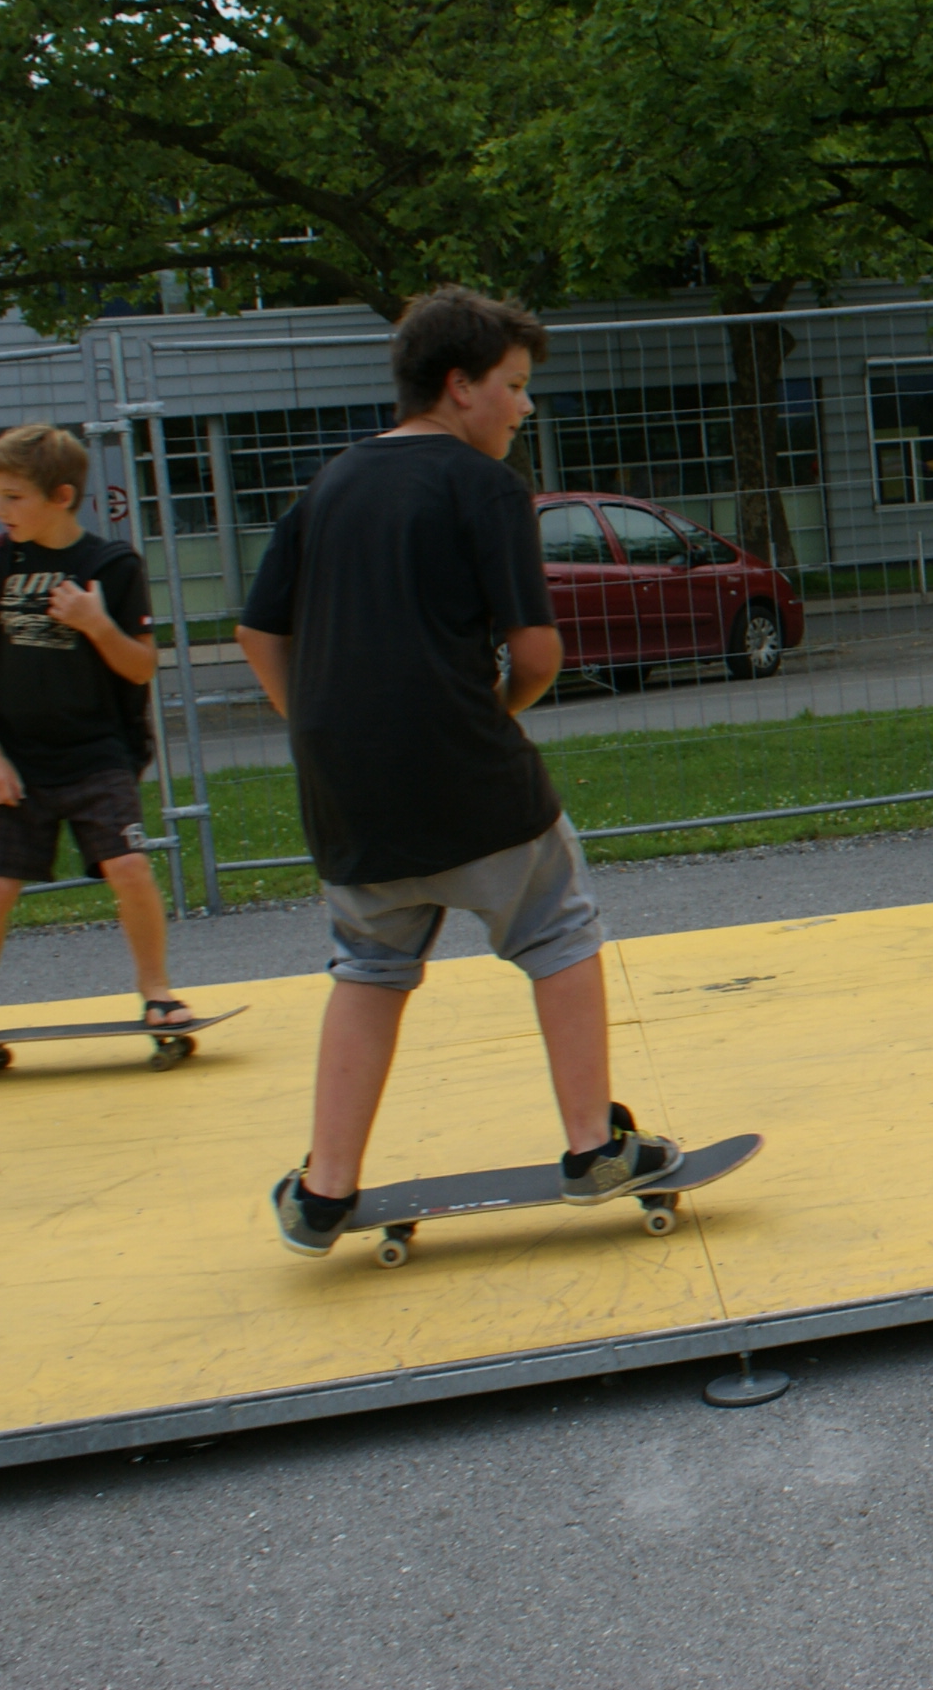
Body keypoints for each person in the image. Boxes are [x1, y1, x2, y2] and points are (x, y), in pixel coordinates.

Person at [237, 287, 680, 1255]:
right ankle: (593, 1147)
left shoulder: (328, 486)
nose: (525, 406)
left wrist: (318, 724)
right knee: (557, 924)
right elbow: (538, 653)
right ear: (459, 385)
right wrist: (494, 712)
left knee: (369, 964)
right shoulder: (483, 486)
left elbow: (258, 631)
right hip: (465, 769)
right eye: (513, 386)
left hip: (344, 786)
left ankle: (323, 1190)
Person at [0, 424, 183, 1048]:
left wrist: (96, 624)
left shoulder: (111, 566)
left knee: (130, 867)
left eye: (13, 497)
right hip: (13, 759)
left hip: (97, 754)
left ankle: (158, 992)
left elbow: (142, 666)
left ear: (61, 496)